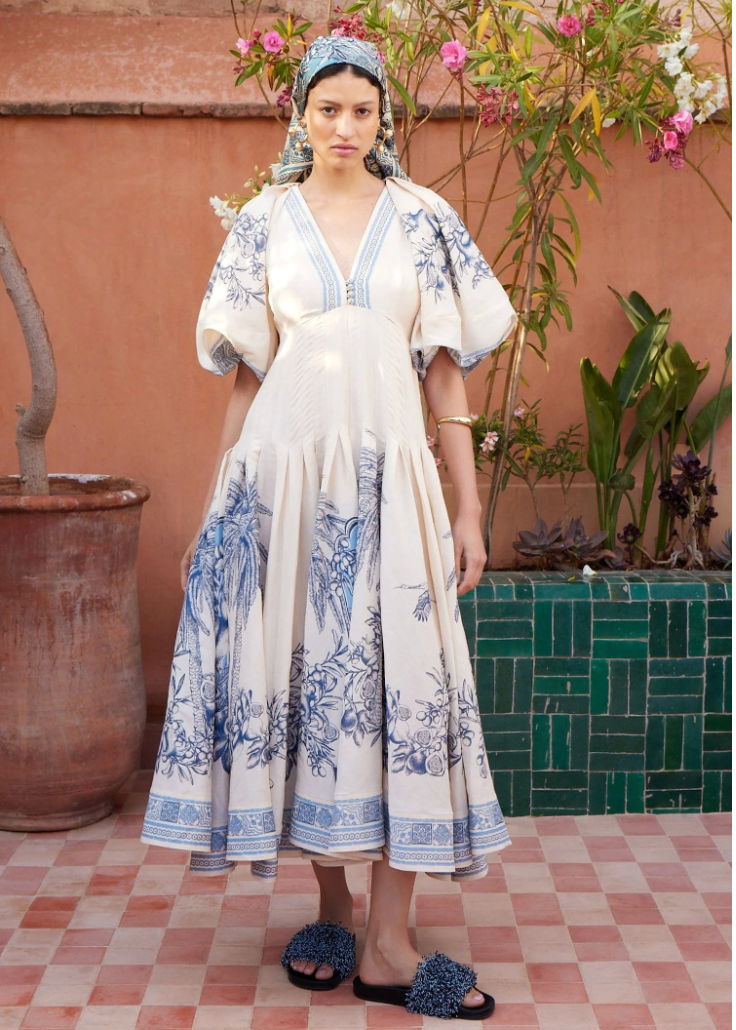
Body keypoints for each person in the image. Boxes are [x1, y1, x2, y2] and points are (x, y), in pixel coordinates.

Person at [141, 33, 518, 1020]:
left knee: (406, 689)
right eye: (327, 109)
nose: (344, 128)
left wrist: (468, 508)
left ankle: (392, 943)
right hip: (279, 490)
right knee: (309, 682)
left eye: (362, 110)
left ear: (383, 116)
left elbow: (446, 376)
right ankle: (333, 907)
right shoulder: (264, 224)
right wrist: (219, 499)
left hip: (393, 489)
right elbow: (247, 380)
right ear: (298, 116)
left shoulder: (425, 221)